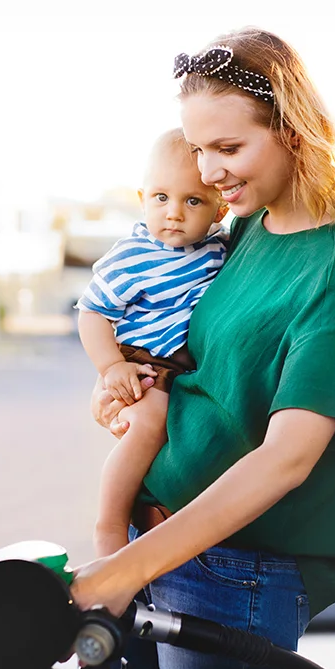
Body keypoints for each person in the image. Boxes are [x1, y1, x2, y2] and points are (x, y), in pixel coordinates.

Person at [68, 28, 335, 669]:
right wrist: (123, 378)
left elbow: (287, 458)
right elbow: (196, 352)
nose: (207, 171)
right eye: (197, 148)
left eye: (228, 148)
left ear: (292, 130)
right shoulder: (243, 226)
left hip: (238, 570)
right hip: (150, 540)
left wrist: (125, 569)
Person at [75, 128, 227, 558]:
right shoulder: (133, 256)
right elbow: (92, 312)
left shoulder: (218, 248)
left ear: (219, 211)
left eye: (192, 200)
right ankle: (109, 525)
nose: (174, 213)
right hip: (142, 362)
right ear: (142, 197)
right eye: (161, 197)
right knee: (149, 423)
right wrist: (110, 368)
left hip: (179, 366)